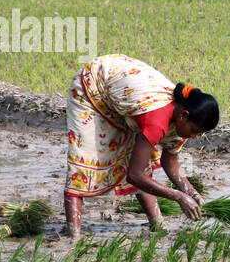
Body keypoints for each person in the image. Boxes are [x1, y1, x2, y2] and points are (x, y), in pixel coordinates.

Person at [63, 53, 218, 237]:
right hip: (93, 86)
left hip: (121, 93)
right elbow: (134, 175)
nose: (193, 137)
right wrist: (178, 196)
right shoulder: (157, 120)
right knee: (84, 158)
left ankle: (158, 225)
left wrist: (193, 194)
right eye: (194, 131)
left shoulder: (181, 119)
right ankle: (74, 236)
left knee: (139, 157)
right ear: (183, 115)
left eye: (198, 133)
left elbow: (171, 161)